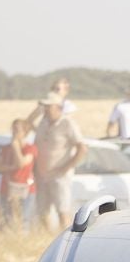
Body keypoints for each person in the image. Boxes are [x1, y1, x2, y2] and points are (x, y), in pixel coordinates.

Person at [31, 92, 85, 231]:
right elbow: (26, 125)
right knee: (42, 212)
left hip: (60, 175)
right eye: (45, 107)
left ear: (58, 107)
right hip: (41, 175)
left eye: (49, 106)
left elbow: (82, 148)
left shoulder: (67, 123)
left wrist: (66, 168)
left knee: (63, 211)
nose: (46, 109)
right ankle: (46, 238)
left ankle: (65, 239)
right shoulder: (43, 122)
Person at [0, 118, 36, 229]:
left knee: (23, 219)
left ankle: (21, 237)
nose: (14, 133)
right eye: (13, 129)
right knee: (7, 219)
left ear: (25, 132)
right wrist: (10, 167)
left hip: (25, 189)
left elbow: (21, 163)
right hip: (7, 188)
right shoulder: (5, 148)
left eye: (17, 130)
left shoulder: (30, 149)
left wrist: (16, 147)